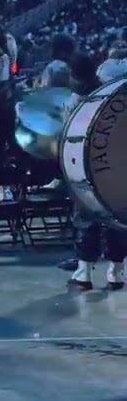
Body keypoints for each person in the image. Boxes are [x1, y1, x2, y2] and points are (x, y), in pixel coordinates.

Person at [67, 53, 126, 290]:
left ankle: (84, 273)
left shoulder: (73, 101)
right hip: (114, 170)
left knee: (86, 219)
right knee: (115, 219)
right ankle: (117, 272)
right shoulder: (113, 96)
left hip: (85, 170)